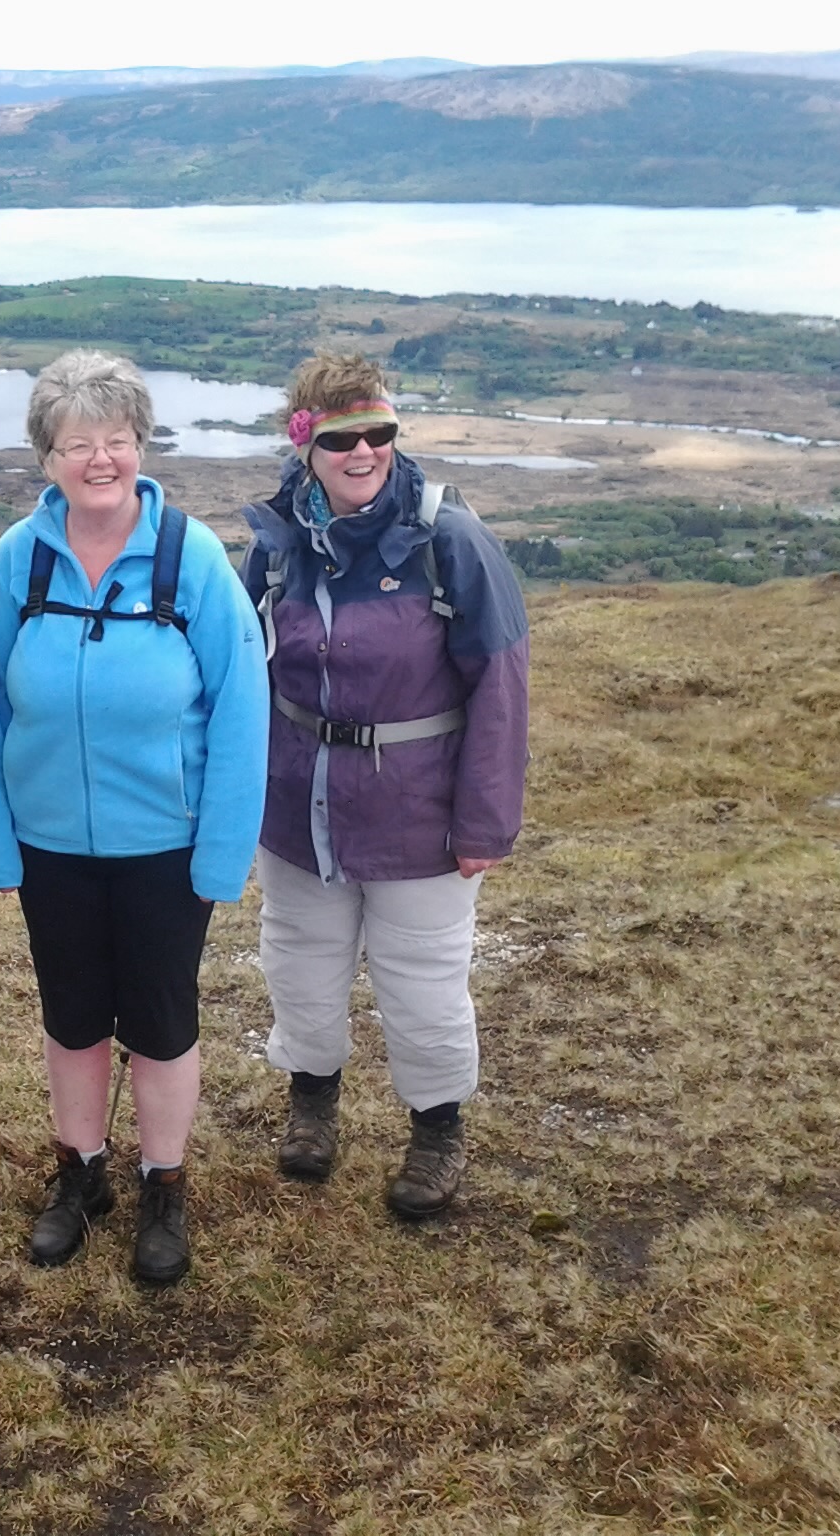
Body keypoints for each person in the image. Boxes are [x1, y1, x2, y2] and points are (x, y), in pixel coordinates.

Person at [0, 349, 268, 1287]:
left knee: (162, 1020)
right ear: (46, 457)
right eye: (75, 444)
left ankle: (163, 1184)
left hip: (165, 847)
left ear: (141, 443)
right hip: (53, 843)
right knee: (71, 1016)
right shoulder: (19, 558)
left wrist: (220, 857)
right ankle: (81, 1174)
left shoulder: (192, 558)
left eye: (117, 440)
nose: (99, 460)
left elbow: (241, 710)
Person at [238, 353, 529, 1217]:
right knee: (300, 963)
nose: (363, 453)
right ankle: (312, 1106)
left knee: (424, 978)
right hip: (300, 808)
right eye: (340, 439)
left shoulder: (451, 544)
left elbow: (500, 690)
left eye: (379, 434)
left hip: (420, 817)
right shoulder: (277, 546)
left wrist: (485, 824)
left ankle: (437, 1131)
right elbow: (244, 679)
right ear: (306, 444)